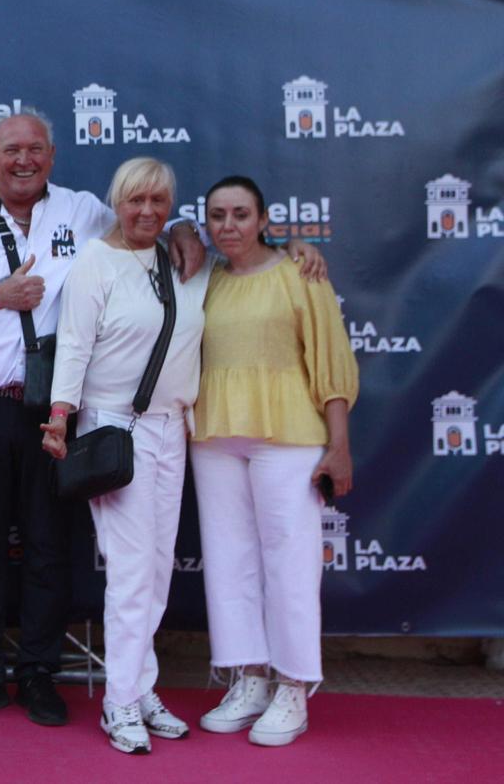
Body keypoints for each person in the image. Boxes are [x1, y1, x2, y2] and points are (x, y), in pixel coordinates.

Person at [0, 112, 211, 729]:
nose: (24, 160)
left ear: (52, 156)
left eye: (36, 149)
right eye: (11, 150)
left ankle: (39, 674)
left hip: (55, 410)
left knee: (49, 545)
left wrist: (181, 227)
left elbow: (139, 221)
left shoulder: (83, 212)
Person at [43, 157, 214, 754]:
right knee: (131, 570)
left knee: (158, 568)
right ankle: (119, 702)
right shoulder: (95, 260)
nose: (147, 212)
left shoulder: (181, 255)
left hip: (174, 428)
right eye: (136, 201)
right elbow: (74, 343)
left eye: (159, 203)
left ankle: (140, 690)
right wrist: (61, 417)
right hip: (116, 428)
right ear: (116, 202)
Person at [191, 175, 357, 747]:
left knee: (290, 560)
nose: (228, 226)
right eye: (217, 216)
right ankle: (249, 676)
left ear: (264, 220)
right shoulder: (203, 279)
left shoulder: (300, 273)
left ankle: (294, 685)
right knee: (228, 558)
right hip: (214, 435)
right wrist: (182, 232)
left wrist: (338, 444)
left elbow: (331, 360)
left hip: (288, 434)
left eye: (241, 214)